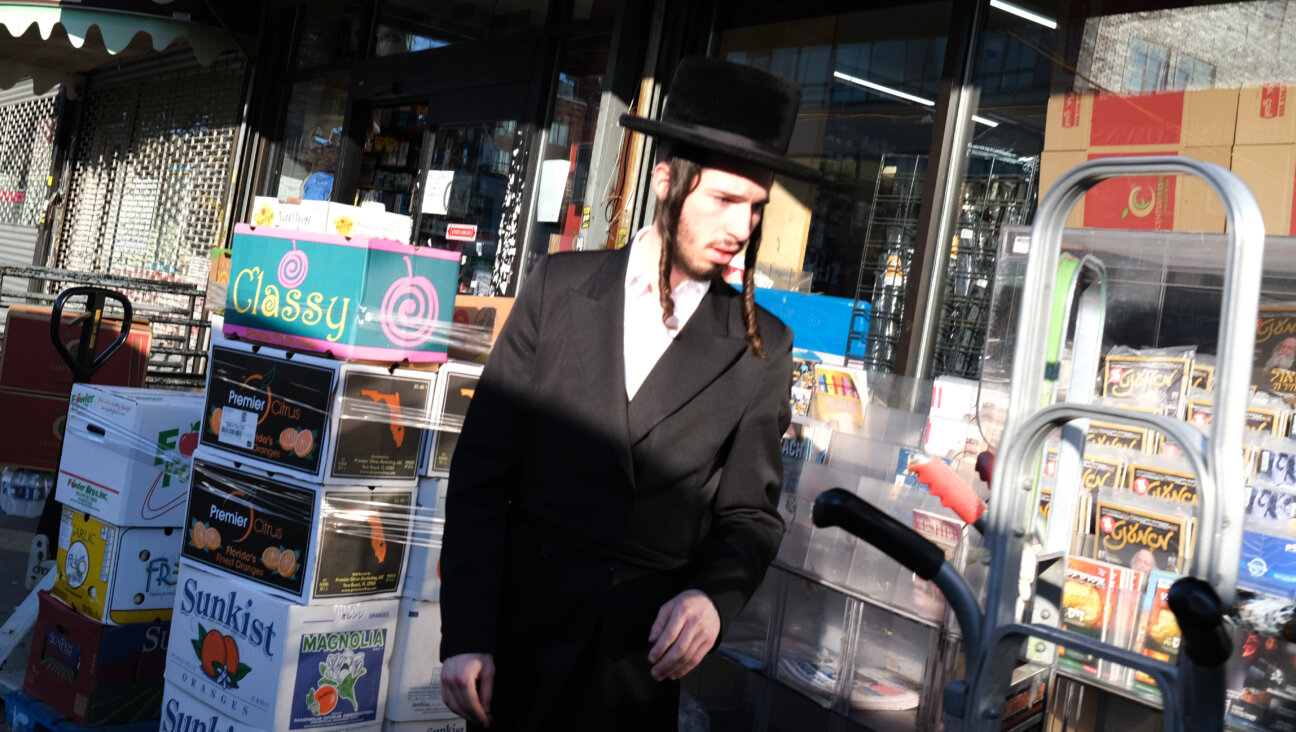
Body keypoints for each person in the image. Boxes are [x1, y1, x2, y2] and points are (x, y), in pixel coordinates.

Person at [438, 57, 820, 731]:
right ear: (666, 181)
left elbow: (750, 518)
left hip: (636, 671)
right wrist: (466, 631)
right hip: (516, 653)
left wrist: (711, 598)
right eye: (725, 200)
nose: (742, 228)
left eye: (756, 207)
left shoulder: (762, 345)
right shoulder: (558, 290)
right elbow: (480, 477)